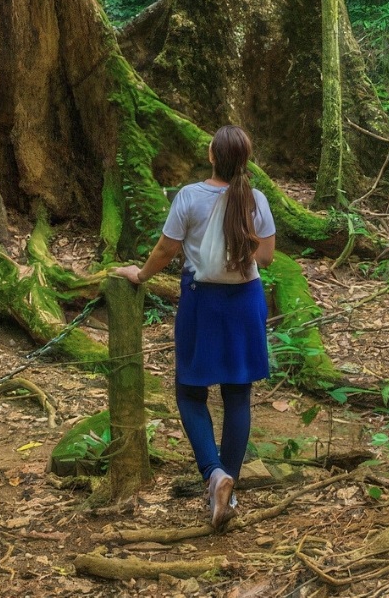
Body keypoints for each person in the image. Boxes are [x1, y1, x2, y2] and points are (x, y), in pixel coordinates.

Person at [114, 124, 275, 529]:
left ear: (211, 156)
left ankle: (214, 474)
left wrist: (141, 275)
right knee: (238, 395)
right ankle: (229, 492)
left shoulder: (189, 196)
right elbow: (268, 257)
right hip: (245, 301)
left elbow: (166, 249)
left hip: (202, 303)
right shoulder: (256, 199)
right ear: (245, 159)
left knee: (190, 391)